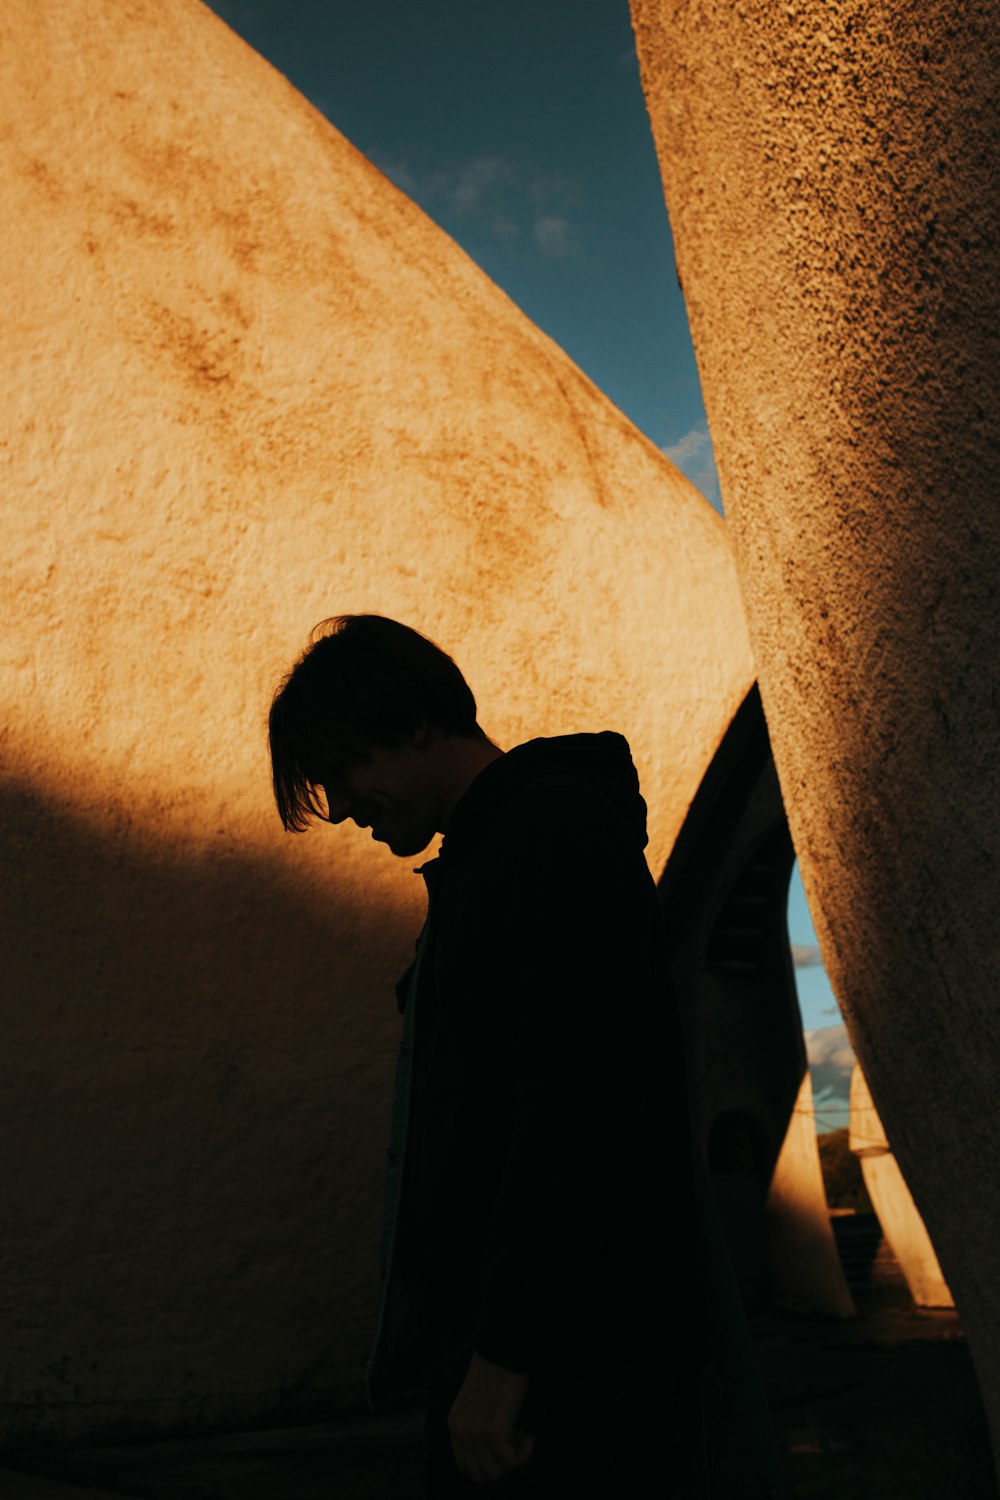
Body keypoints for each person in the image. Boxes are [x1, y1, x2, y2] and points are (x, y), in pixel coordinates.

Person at [269, 614, 780, 1498]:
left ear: (415, 723)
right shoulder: (491, 854)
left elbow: (583, 1110)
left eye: (345, 769)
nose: (343, 807)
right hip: (528, 1358)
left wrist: (505, 1360)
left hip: (574, 1374)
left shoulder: (554, 833)